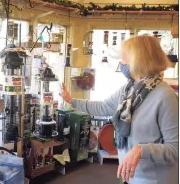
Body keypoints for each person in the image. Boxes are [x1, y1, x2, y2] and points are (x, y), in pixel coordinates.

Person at [60, 35, 178, 184]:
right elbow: (103, 106)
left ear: (139, 60)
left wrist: (141, 150)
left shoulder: (165, 96)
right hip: (131, 176)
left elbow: (175, 149)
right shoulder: (129, 90)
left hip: (154, 179)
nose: (121, 63)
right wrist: (71, 101)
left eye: (125, 59)